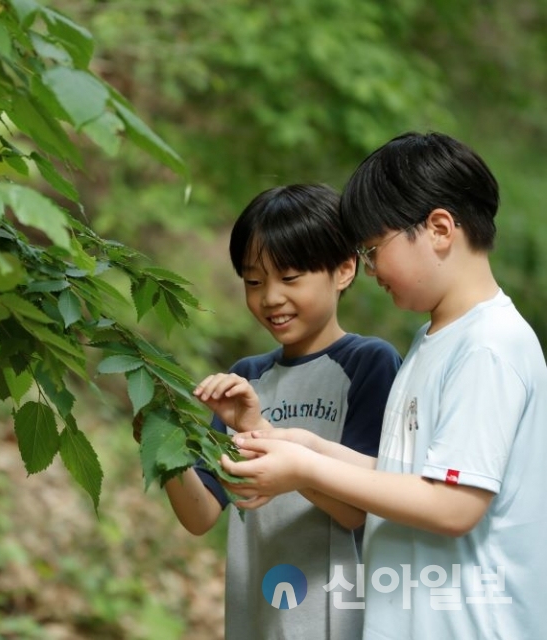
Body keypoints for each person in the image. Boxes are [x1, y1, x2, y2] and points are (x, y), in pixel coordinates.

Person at [221, 132, 547, 639]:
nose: (370, 270)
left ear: (439, 228)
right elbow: (409, 478)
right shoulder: (435, 340)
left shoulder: (488, 346)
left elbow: (453, 504)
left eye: (374, 250)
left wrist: (306, 467)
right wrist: (309, 447)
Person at [160, 183, 402, 639]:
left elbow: (361, 510)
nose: (270, 297)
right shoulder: (244, 380)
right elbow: (201, 516)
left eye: (290, 278)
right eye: (254, 281)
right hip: (257, 616)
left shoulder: (369, 363)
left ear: (345, 269)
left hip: (338, 619)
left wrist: (268, 438)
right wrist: (163, 441)